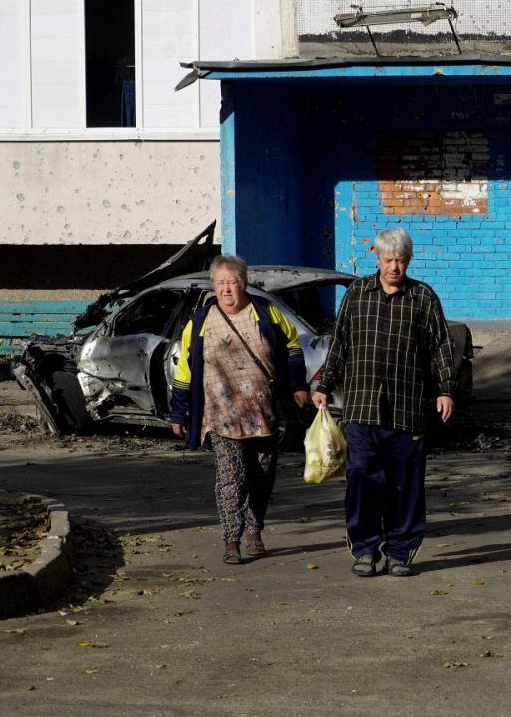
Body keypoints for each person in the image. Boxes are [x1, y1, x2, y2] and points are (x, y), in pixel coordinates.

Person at [312, 227, 457, 577]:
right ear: (377, 258)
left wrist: (446, 389)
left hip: (408, 410)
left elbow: (440, 346)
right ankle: (364, 549)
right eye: (389, 259)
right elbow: (340, 344)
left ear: (409, 261)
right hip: (361, 408)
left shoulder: (423, 298)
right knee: (361, 477)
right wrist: (323, 383)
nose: (394, 267)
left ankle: (400, 552)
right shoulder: (358, 294)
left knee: (406, 485)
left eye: (401, 260)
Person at [171, 255, 310, 563]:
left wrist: (298, 385)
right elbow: (184, 371)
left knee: (261, 476)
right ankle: (231, 538)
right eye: (220, 283)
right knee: (232, 477)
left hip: (262, 413)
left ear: (243, 283)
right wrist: (179, 413)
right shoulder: (200, 321)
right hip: (221, 416)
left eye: (232, 282)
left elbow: (292, 347)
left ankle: (254, 529)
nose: (226, 289)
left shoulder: (265, 312)